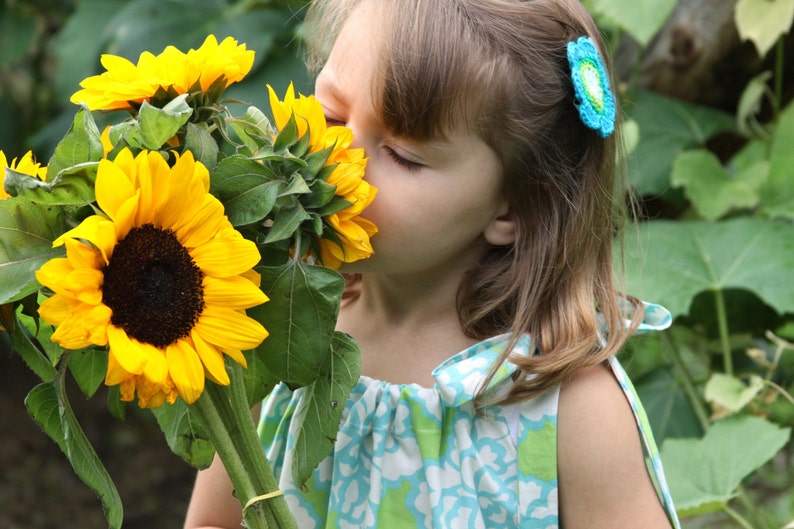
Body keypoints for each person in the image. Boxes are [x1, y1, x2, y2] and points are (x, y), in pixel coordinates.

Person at [184, 0, 681, 527]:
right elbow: (215, 519)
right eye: (330, 114)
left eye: (402, 155)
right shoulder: (280, 326)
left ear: (514, 204)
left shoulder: (568, 407)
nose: (337, 159)